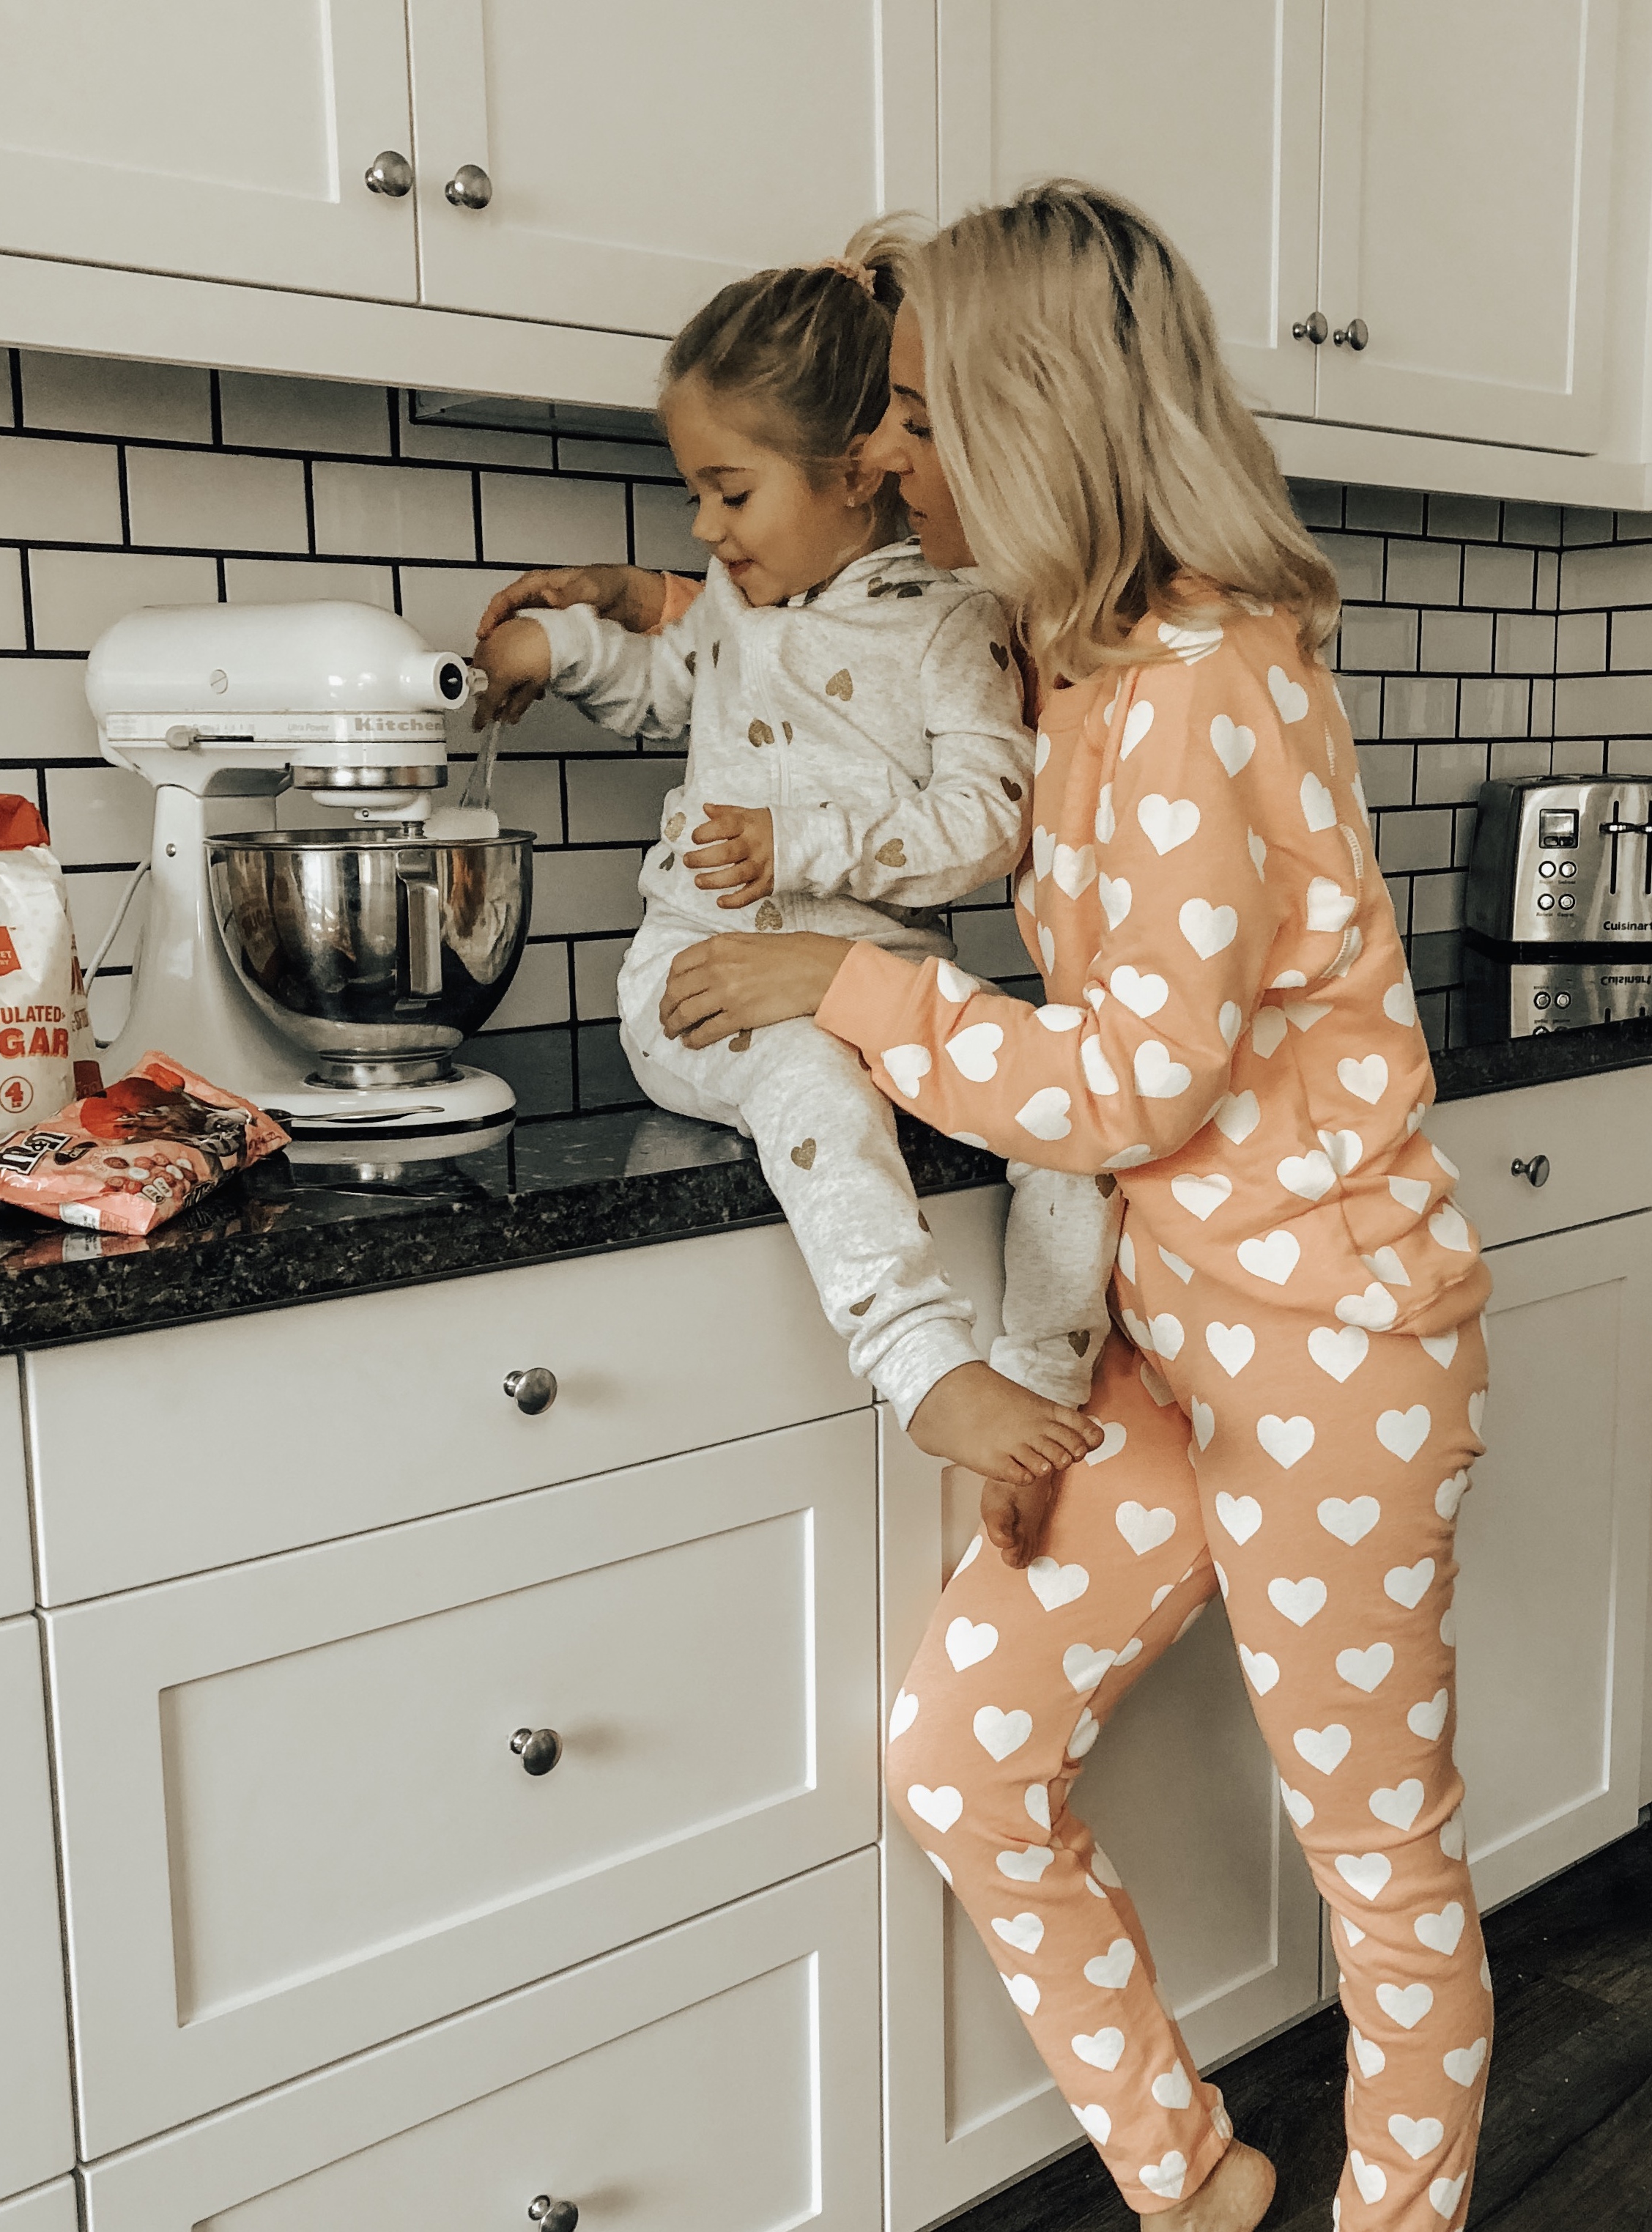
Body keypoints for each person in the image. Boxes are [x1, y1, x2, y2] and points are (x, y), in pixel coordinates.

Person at [489, 182, 1494, 2232]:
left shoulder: (1206, 680)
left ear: (1036, 422)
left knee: (1376, 1857)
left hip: (1328, 1354)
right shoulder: (1083, 651)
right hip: (1163, 1332)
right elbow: (838, 653)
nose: (881, 460)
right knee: (958, 1761)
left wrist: (836, 983)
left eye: (919, 421)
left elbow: (1135, 1076)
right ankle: (1191, 2179)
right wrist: (666, 598)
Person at [474, 227, 1120, 1481]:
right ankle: (920, 1359)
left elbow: (991, 818)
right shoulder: (733, 609)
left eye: (733, 490)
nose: (707, 526)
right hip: (704, 989)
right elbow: (662, 678)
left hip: (894, 1000)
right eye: (698, 496)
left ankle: (1045, 1372)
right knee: (807, 1078)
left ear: (856, 475)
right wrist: (551, 649)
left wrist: (802, 842)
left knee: (1063, 1105)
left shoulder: (956, 622)